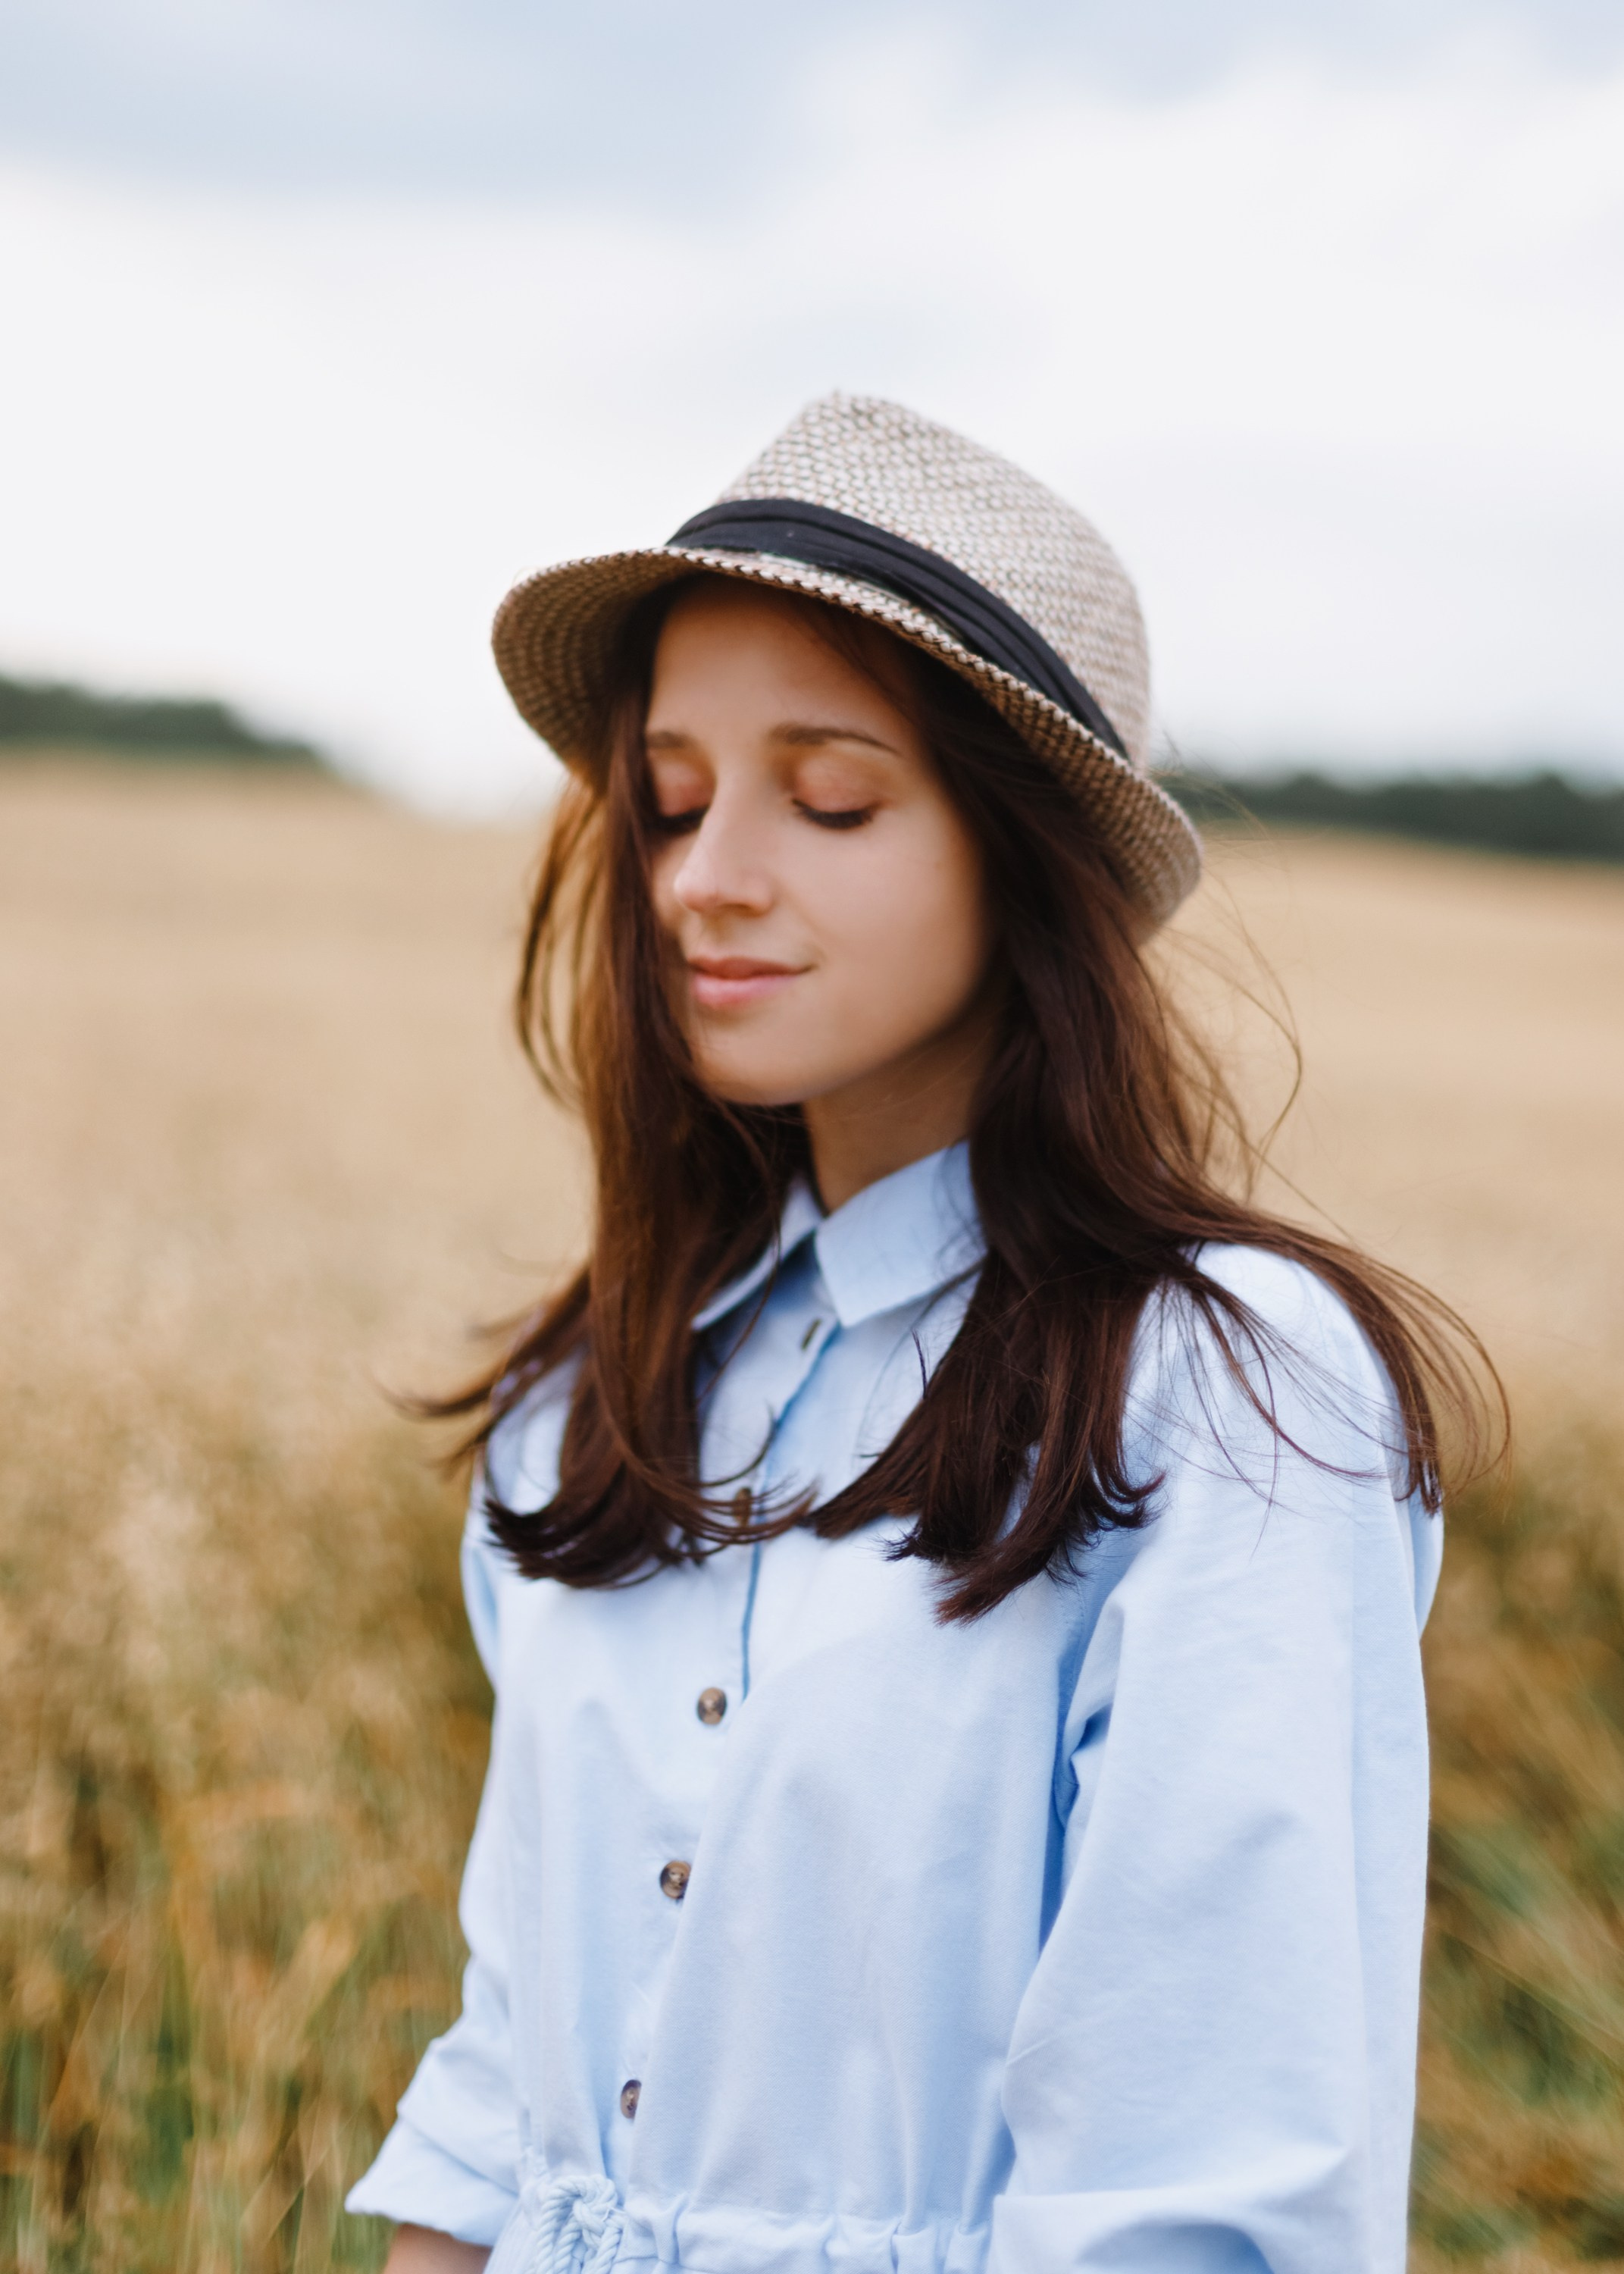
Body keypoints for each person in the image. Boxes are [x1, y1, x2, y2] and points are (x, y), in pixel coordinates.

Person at [346, 394, 1494, 2274]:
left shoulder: (1227, 1399)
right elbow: (502, 2097)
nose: (708, 875)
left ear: (1022, 850)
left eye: (833, 797)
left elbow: (1203, 2193)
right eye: (670, 797)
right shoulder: (593, 1401)